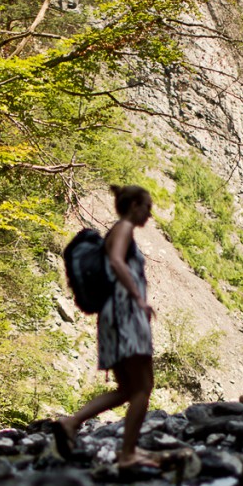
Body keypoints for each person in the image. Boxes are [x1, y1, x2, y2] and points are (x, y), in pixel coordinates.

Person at [54, 183, 158, 469]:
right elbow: (115, 261)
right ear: (134, 206)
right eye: (147, 207)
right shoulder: (123, 227)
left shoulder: (116, 230)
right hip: (125, 314)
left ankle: (70, 422)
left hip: (113, 315)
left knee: (127, 388)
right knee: (143, 387)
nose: (149, 215)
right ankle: (128, 454)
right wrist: (139, 299)